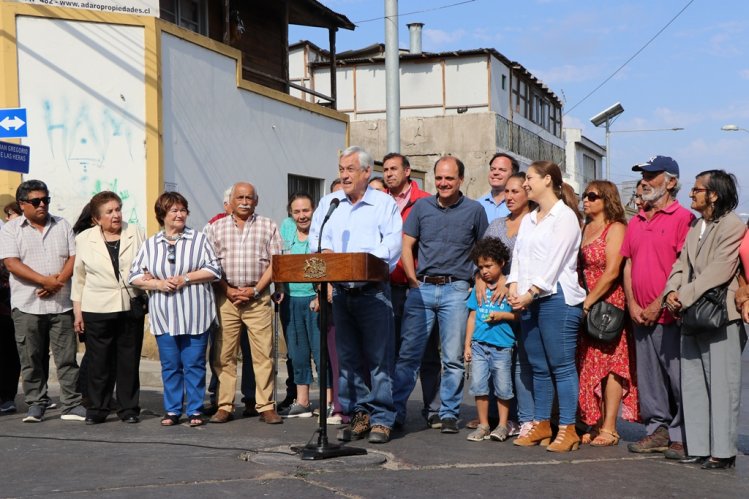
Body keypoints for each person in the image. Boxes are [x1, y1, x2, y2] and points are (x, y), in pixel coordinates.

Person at [309, 145, 402, 444]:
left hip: (373, 293)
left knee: (379, 360)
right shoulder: (330, 203)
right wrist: (323, 252)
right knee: (349, 360)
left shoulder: (384, 204)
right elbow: (315, 238)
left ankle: (384, 419)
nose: (344, 175)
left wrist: (358, 262)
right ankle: (360, 416)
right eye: (341, 169)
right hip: (341, 294)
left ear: (366, 172)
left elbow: (392, 247)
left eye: (350, 169)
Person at [393, 155, 488, 434]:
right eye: (439, 178)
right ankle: (396, 411)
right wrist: (412, 282)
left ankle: (447, 413)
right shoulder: (421, 207)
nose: (443, 183)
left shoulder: (474, 210)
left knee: (452, 358)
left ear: (461, 180)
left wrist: (477, 280)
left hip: (456, 290)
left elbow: (484, 251)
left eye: (449, 178)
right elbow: (406, 245)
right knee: (409, 356)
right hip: (421, 288)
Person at [663, 170, 746, 469]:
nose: (691, 194)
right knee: (694, 383)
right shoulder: (696, 225)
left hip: (721, 316)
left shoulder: (732, 225)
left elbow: (719, 271)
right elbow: (680, 263)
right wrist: (671, 291)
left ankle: (723, 453)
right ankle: (698, 447)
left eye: (697, 189)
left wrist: (682, 296)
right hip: (692, 313)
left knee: (722, 386)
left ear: (713, 194)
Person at [508, 161, 585, 452]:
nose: (525, 183)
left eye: (529, 178)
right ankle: (541, 424)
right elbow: (519, 257)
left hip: (557, 298)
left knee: (561, 366)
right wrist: (514, 286)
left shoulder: (564, 217)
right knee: (538, 366)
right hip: (530, 299)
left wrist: (530, 292)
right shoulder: (529, 218)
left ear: (548, 180)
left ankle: (567, 428)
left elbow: (554, 262)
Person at [621, 156, 694, 459]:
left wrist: (657, 303)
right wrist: (632, 302)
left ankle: (682, 434)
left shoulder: (684, 218)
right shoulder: (636, 220)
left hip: (668, 314)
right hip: (640, 314)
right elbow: (628, 263)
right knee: (649, 378)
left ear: (671, 182)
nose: (646, 181)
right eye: (644, 176)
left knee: (676, 377)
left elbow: (684, 267)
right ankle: (657, 430)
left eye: (652, 176)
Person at [129, 192, 221, 426]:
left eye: (183, 210)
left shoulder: (198, 239)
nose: (180, 215)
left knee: (194, 364)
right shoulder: (151, 244)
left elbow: (214, 270)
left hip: (195, 314)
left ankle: (195, 410)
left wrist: (186, 278)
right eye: (174, 211)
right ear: (162, 215)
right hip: (164, 315)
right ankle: (172, 410)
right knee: (170, 365)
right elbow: (134, 275)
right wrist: (157, 283)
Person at [0, 180, 86, 422]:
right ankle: (36, 403)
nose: (42, 205)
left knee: (67, 358)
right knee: (31, 358)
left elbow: (73, 257)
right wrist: (43, 281)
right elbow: (11, 263)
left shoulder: (62, 224)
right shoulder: (11, 229)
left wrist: (56, 283)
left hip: (61, 305)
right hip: (27, 305)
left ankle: (71, 404)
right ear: (22, 204)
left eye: (45, 200)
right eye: (36, 201)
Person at [203, 182, 284, 425]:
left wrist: (256, 290)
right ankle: (225, 405)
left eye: (249, 197)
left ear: (256, 201)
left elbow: (276, 263)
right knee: (224, 354)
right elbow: (210, 264)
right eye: (240, 197)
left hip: (257, 299)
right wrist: (227, 289)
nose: (245, 201)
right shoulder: (215, 228)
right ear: (232, 200)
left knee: (263, 355)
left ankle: (266, 406)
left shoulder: (268, 225)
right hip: (225, 297)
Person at [70, 192, 146, 424]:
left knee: (128, 360)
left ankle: (129, 409)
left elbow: (145, 265)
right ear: (96, 219)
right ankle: (98, 408)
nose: (116, 215)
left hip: (129, 304)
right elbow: (79, 277)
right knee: (98, 362)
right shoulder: (84, 238)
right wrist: (77, 312)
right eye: (109, 212)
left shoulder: (135, 232)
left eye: (118, 209)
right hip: (96, 307)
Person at [576, 181, 639, 446]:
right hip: (585, 299)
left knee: (612, 365)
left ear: (607, 199)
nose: (586, 200)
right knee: (589, 363)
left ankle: (610, 428)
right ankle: (595, 421)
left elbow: (613, 270)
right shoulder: (583, 228)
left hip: (608, 302)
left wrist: (590, 300)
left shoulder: (616, 228)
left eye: (592, 196)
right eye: (584, 196)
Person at [382, 152, 439, 426]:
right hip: (388, 287)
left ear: (407, 172)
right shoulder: (379, 203)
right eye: (385, 169)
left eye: (394, 169)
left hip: (419, 287)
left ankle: (434, 409)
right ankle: (395, 410)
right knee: (393, 352)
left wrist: (418, 278)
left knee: (426, 351)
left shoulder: (426, 201)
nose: (389, 173)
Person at [479, 171, 534, 438]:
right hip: (494, 303)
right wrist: (480, 278)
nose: (509, 197)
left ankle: (526, 418)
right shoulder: (498, 224)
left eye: (516, 191)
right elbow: (482, 257)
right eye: (507, 192)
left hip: (522, 301)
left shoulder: (534, 223)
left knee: (522, 361)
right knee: (495, 358)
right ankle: (501, 418)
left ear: (527, 193)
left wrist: (508, 280)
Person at [278, 192, 332, 417]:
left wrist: (320, 295)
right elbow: (280, 259)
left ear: (314, 210)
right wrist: (279, 288)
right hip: (291, 298)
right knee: (297, 352)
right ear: (291, 213)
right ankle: (302, 401)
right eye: (297, 211)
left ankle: (327, 401)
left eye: (306, 211)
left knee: (321, 352)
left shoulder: (322, 229)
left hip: (314, 299)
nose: (302, 216)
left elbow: (327, 264)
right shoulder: (286, 227)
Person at [464, 237, 517, 442]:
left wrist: (502, 316)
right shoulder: (479, 289)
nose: (484, 271)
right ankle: (484, 424)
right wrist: (467, 343)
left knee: (503, 387)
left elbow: (518, 316)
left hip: (502, 346)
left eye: (489, 266)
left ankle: (503, 425)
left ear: (501, 263)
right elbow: (472, 316)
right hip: (479, 345)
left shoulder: (510, 288)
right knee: (479, 386)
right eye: (480, 267)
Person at [479, 153, 520, 222]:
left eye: (502, 170)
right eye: (493, 169)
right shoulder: (477, 205)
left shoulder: (520, 205)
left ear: (513, 174)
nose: (495, 173)